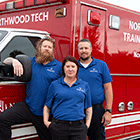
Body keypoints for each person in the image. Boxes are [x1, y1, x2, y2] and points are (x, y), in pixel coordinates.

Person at [0, 36, 62, 140]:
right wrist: (14, 61)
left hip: (46, 113)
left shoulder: (59, 67)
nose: (47, 49)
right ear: (39, 48)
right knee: (2, 119)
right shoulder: (31, 62)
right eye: (44, 46)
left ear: (52, 50)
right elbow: (6, 60)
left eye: (50, 47)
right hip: (29, 107)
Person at [43, 55, 92, 140]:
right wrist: (46, 122)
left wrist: (86, 125)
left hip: (79, 127)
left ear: (77, 68)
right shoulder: (55, 85)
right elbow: (47, 106)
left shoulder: (84, 85)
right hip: (58, 127)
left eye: (73, 66)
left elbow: (88, 108)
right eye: (67, 66)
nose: (70, 69)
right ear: (63, 68)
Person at [77, 39, 113, 140]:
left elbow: (108, 89)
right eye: (81, 48)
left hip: (96, 110)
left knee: (97, 137)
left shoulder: (101, 65)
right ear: (78, 50)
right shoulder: (73, 66)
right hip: (77, 110)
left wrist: (108, 111)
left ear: (91, 49)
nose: (83, 50)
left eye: (86, 48)